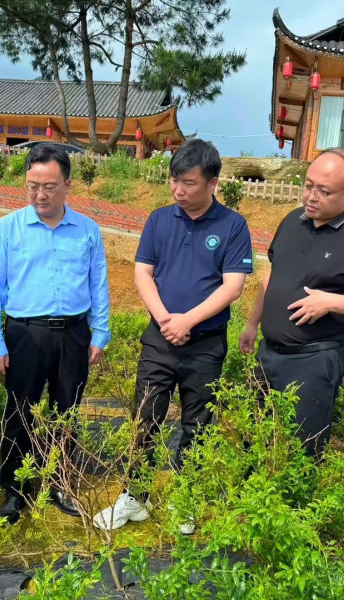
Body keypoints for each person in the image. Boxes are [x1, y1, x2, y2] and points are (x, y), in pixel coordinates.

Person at [93, 139, 254, 533]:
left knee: (197, 423)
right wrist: (167, 320)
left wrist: (189, 322)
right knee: (145, 417)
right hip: (159, 340)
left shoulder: (233, 226)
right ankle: (135, 496)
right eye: (174, 181)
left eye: (188, 183)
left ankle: (188, 497)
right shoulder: (159, 220)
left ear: (212, 183)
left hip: (205, 345)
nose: (178, 190)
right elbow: (143, 273)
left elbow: (233, 286)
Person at [0, 143, 110, 524]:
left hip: (73, 334)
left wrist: (99, 332)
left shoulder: (87, 231)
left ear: (67, 184)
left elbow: (98, 284)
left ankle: (59, 481)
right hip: (25, 334)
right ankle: (15, 489)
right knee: (20, 412)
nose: (40, 194)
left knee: (65, 411)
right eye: (32, 185)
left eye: (49, 185)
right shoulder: (6, 230)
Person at [238, 148, 344, 456]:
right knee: (254, 439)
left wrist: (330, 302)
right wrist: (253, 322)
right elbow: (273, 274)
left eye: (323, 191)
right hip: (269, 354)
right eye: (308, 185)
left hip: (313, 360)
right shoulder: (292, 220)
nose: (311, 196)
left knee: (300, 450)